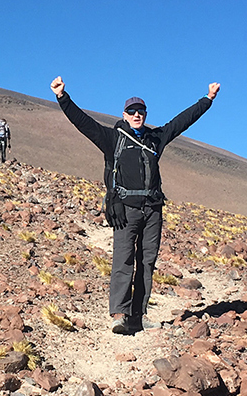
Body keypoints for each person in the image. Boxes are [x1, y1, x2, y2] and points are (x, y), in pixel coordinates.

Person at [51, 76, 220, 334]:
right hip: (126, 209)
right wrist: (63, 97)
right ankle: (119, 314)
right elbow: (83, 124)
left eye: (141, 111)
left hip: (153, 209)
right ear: (124, 114)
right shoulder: (112, 138)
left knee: (147, 261)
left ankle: (138, 317)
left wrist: (207, 100)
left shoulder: (155, 139)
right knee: (123, 260)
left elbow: (182, 122)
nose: (137, 115)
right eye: (132, 111)